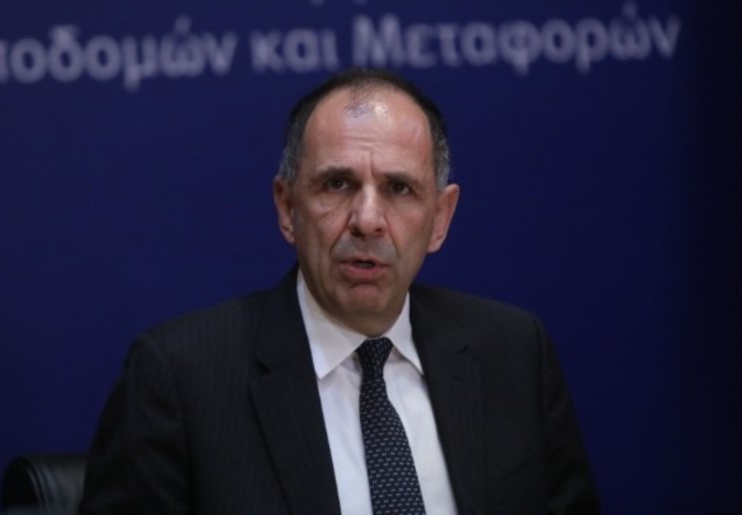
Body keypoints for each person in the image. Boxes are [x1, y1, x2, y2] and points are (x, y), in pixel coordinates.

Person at [80, 68, 600, 514]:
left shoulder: (514, 351)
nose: (367, 220)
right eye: (337, 184)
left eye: (399, 188)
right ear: (287, 207)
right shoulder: (181, 380)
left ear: (440, 218)